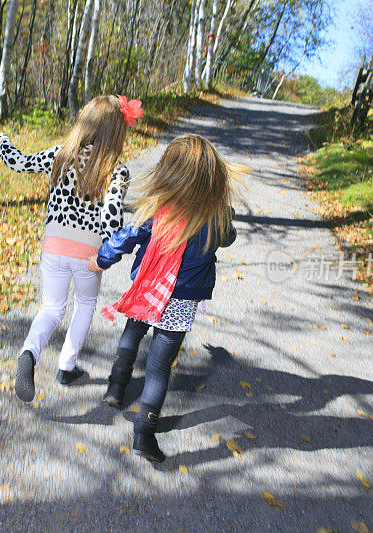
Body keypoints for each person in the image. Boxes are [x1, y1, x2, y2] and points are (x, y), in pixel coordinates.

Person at [88, 134, 240, 462]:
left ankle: (116, 389)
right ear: (212, 176)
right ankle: (144, 433)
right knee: (159, 367)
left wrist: (101, 258)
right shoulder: (216, 215)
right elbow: (228, 238)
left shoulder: (160, 208)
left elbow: (126, 237)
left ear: (170, 170)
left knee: (132, 333)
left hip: (150, 289)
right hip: (182, 301)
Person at [0, 95, 143, 403]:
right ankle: (66, 366)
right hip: (88, 255)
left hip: (54, 245)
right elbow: (112, 221)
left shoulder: (62, 154)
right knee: (84, 305)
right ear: (117, 133)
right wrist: (106, 254)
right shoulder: (116, 169)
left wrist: (0, 141)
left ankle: (29, 354)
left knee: (52, 309)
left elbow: (19, 161)